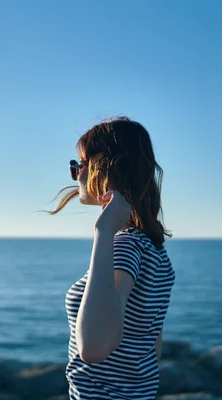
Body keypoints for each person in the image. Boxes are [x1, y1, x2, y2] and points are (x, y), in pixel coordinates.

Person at [48, 116, 176, 399]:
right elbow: (151, 346)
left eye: (79, 165)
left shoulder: (124, 246)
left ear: (104, 169)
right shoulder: (153, 247)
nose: (76, 174)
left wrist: (104, 232)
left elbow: (93, 349)